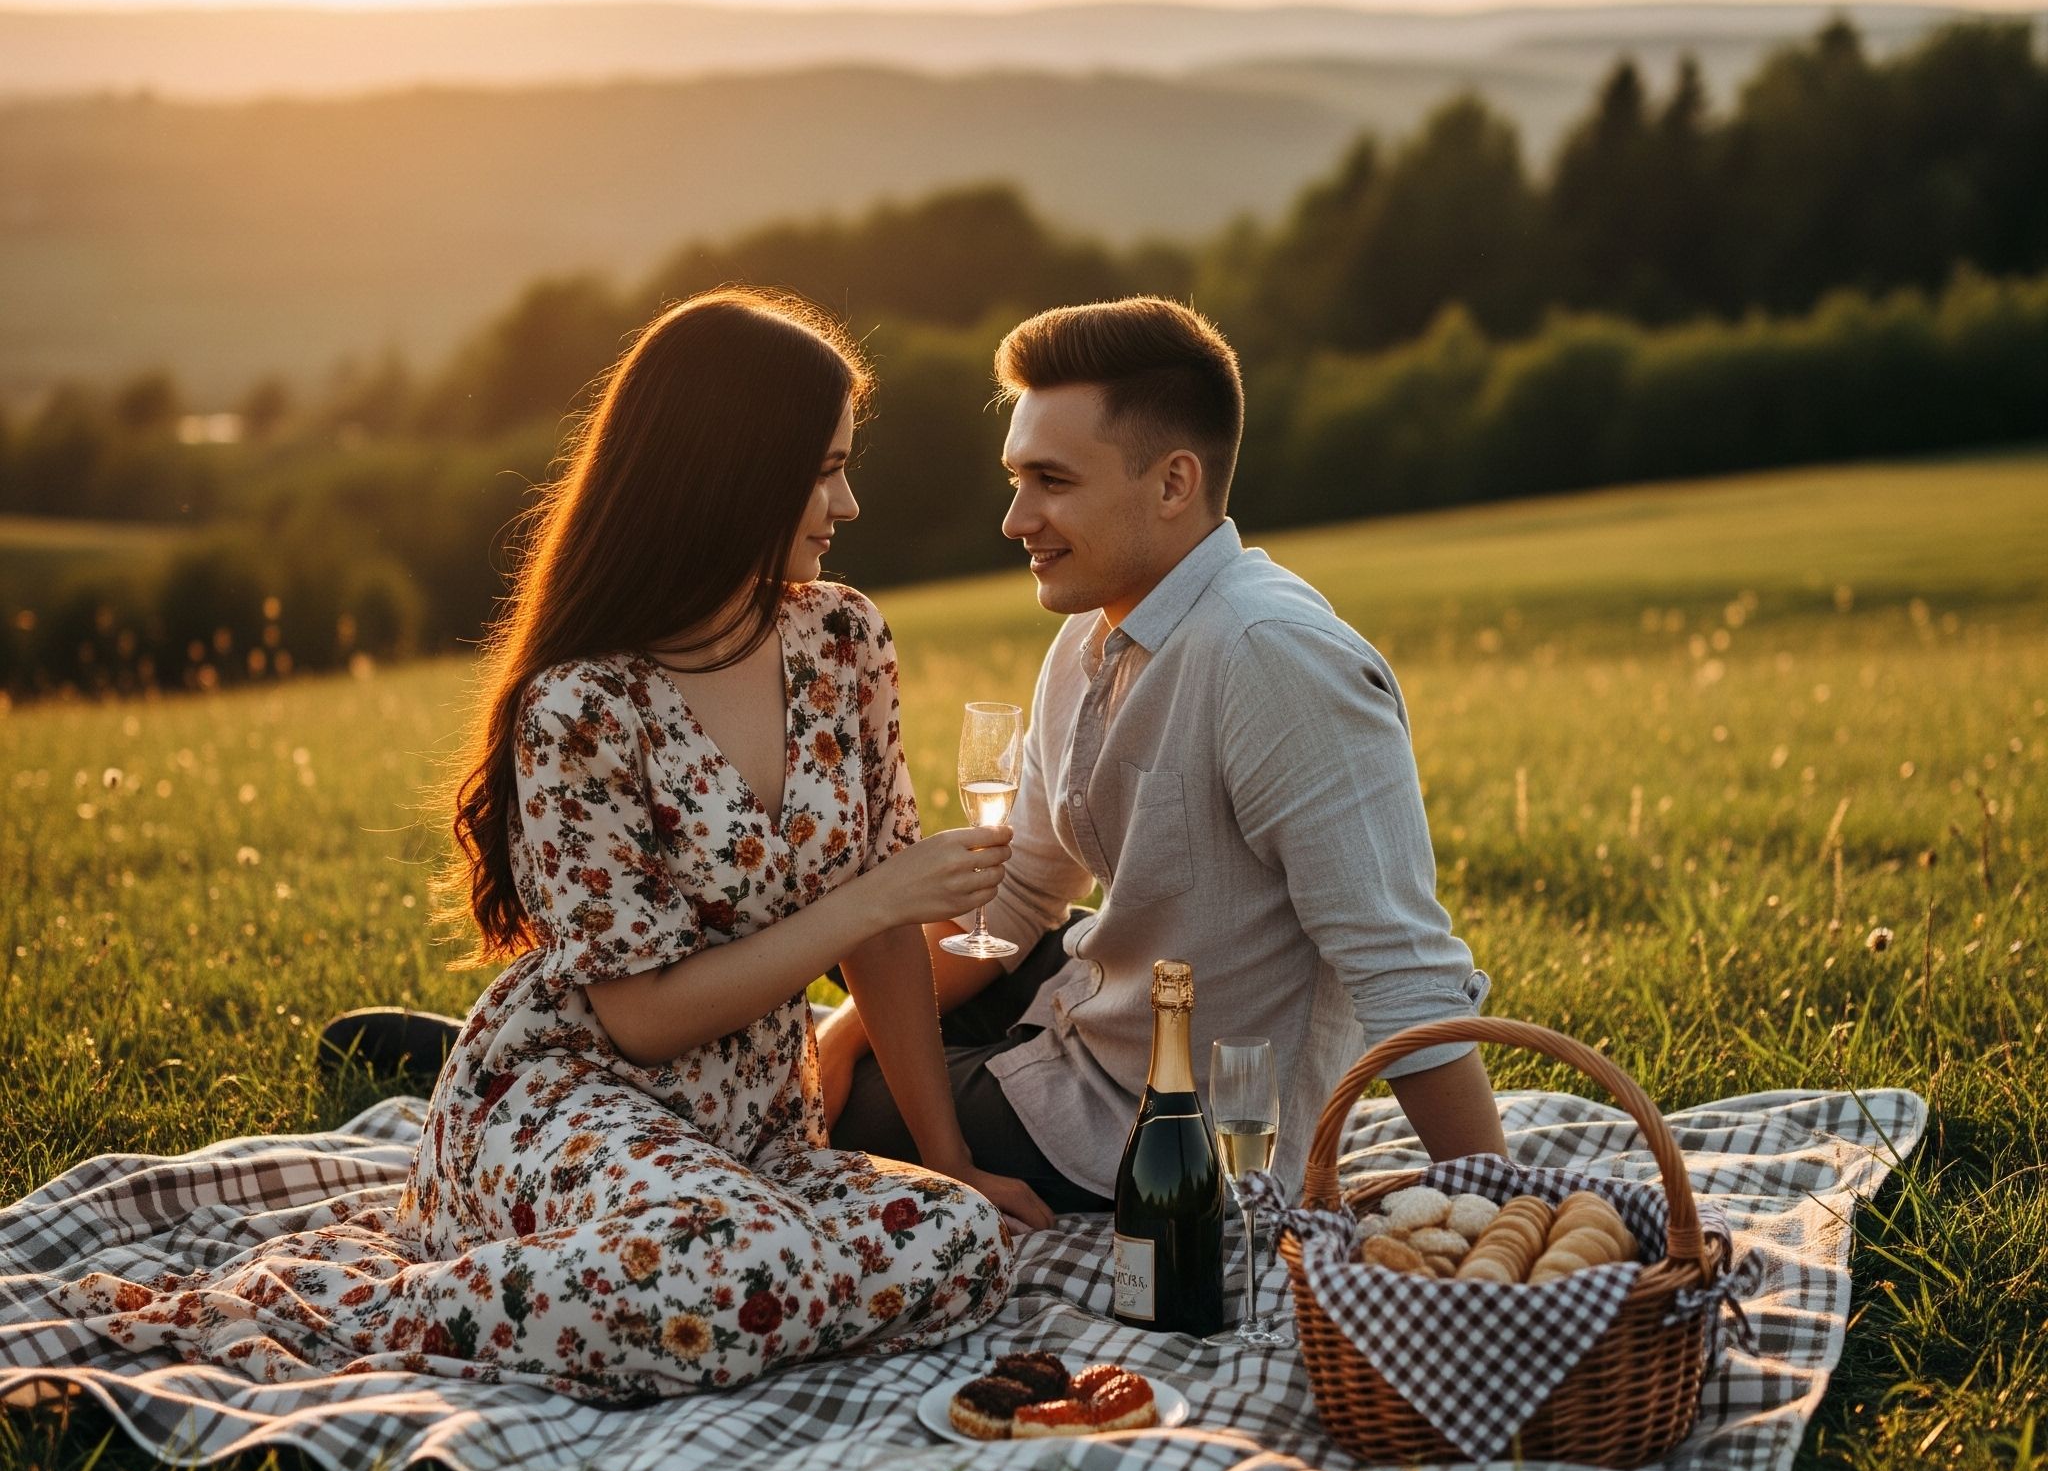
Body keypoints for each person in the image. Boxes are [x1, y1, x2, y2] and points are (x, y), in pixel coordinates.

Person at [68, 291, 1041, 1401]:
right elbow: (642, 1014)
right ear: (728, 470)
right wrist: (867, 903)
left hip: (752, 1125)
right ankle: (341, 1304)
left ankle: (695, 1282)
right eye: (819, 470)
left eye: (843, 465)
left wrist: (948, 1159)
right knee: (727, 1264)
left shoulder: (843, 639)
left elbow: (882, 948)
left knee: (957, 1241)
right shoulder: (580, 704)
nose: (846, 501)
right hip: (568, 1090)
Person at [822, 297, 1507, 1205]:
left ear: (1175, 484)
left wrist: (1505, 1212)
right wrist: (842, 1032)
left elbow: (1404, 973)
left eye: (1052, 482)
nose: (1015, 519)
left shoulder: (1274, 659)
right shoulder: (1089, 637)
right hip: (1090, 999)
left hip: (1161, 1128)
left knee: (823, 1113)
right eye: (1015, 479)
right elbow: (1024, 891)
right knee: (831, 1014)